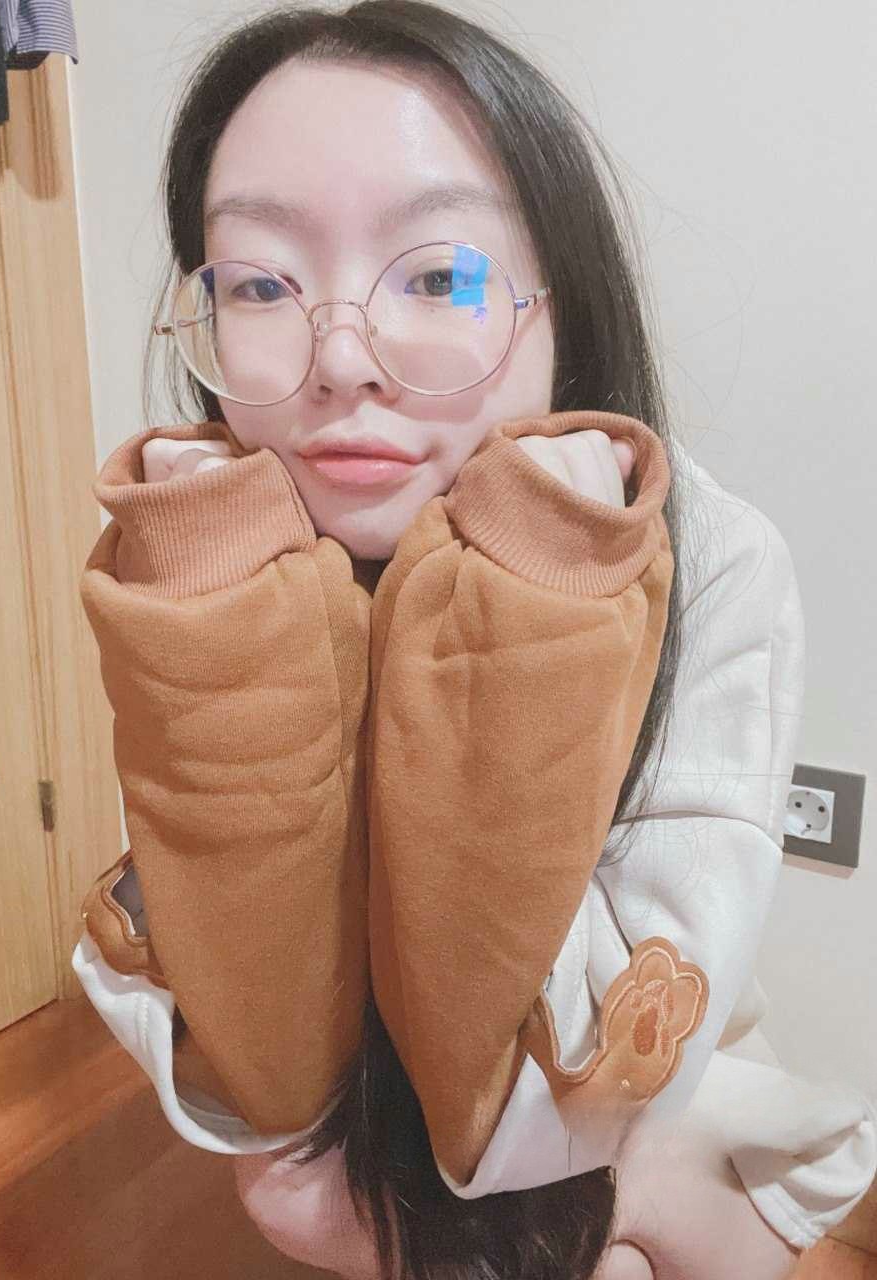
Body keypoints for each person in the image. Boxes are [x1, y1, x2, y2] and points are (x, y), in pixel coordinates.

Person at [71, 4, 877, 1279]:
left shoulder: (709, 555)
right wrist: (220, 622)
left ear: (564, 300)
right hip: (362, 1107)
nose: (341, 358)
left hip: (633, 1080)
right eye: (262, 284)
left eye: (439, 276)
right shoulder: (215, 546)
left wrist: (533, 587)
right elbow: (267, 1077)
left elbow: (597, 1066)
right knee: (294, 1190)